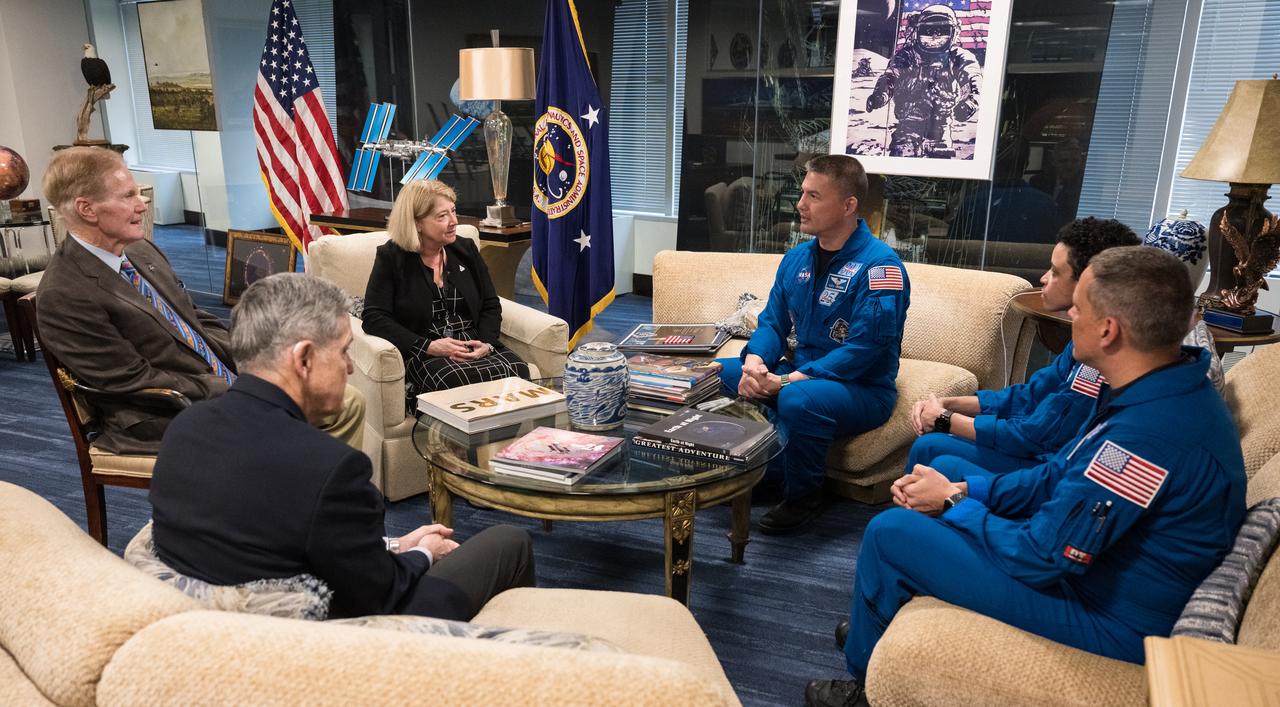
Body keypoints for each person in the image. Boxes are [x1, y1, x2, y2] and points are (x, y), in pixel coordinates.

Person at [804, 247, 1246, 707]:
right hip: (1096, 574)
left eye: (1081, 307)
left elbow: (1042, 556)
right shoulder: (1160, 388)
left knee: (890, 531)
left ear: (1109, 330)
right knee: (943, 476)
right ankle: (882, 609)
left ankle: (863, 688)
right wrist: (961, 489)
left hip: (1110, 618)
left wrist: (955, 505)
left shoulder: (1145, 438)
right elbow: (1058, 475)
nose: (1070, 311)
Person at [149, 273, 535, 620]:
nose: (350, 367)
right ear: (303, 358)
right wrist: (423, 553)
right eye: (344, 350)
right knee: (508, 542)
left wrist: (395, 543)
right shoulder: (331, 468)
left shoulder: (184, 428)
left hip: (220, 632)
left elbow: (278, 536)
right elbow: (381, 592)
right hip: (342, 641)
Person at [36, 146, 363, 454]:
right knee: (307, 416)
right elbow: (132, 380)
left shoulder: (139, 250)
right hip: (164, 412)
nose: (143, 203)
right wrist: (231, 388)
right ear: (87, 209)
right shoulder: (64, 294)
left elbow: (193, 318)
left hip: (214, 385)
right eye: (128, 196)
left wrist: (259, 361)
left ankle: (304, 497)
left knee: (344, 401)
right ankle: (285, 500)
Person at [716, 155, 910, 535]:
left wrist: (787, 382)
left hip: (861, 388)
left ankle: (803, 496)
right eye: (802, 193)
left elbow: (864, 351)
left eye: (814, 196)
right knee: (722, 373)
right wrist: (756, 361)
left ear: (848, 205)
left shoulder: (881, 268)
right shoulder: (796, 258)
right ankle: (753, 465)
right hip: (799, 372)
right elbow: (773, 321)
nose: (800, 204)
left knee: (796, 400)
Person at [904, 218, 1141, 477]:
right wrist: (953, 404)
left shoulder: (1102, 357)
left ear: (1088, 282)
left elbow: (1035, 436)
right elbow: (1031, 395)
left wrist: (946, 419)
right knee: (932, 448)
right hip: (1040, 450)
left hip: (1052, 466)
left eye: (1055, 272)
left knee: (932, 448)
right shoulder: (1084, 335)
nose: (1043, 278)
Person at [362, 179, 528, 410]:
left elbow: (490, 304)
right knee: (453, 381)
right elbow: (374, 318)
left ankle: (509, 445)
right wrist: (428, 346)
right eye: (442, 216)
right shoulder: (391, 258)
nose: (454, 222)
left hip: (474, 345)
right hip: (427, 352)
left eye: (454, 211)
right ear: (417, 223)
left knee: (518, 370)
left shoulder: (465, 249)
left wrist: (487, 344)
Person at [865, 4, 981, 159]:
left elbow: (971, 79)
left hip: (939, 128)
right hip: (907, 125)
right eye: (928, 30)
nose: (935, 36)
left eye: (942, 31)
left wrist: (969, 103)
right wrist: (880, 95)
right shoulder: (907, 56)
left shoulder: (957, 57)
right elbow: (891, 77)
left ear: (954, 33)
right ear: (917, 32)